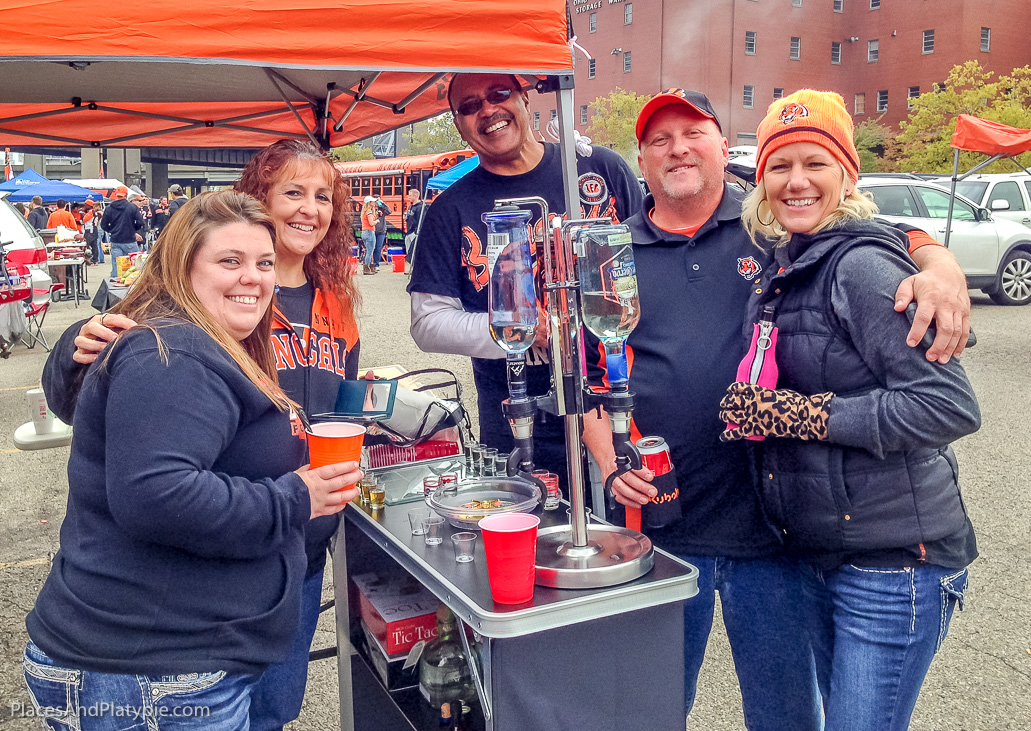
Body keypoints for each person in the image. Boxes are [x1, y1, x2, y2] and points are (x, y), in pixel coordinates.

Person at [581, 88, 973, 728]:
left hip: (776, 535)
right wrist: (609, 462)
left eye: (693, 133)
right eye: (659, 140)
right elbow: (591, 384)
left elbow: (871, 230)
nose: (678, 149)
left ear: (723, 148)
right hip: (662, 526)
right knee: (649, 712)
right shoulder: (610, 253)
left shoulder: (774, 228)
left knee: (785, 715)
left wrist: (939, 263)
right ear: (641, 160)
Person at [42, 138, 361, 731]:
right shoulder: (176, 338)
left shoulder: (320, 302)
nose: (309, 209)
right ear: (259, 199)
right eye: (293, 192)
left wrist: (369, 419)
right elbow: (140, 465)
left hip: (279, 561)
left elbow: (335, 401)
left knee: (272, 711)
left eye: (324, 196)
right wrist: (71, 350)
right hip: (162, 642)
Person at [716, 89, 979, 730]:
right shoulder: (790, 264)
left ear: (847, 177)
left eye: (816, 164)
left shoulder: (860, 266)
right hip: (823, 554)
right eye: (780, 166)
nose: (796, 181)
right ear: (761, 181)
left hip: (892, 564)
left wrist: (803, 416)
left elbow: (948, 405)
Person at [408, 72, 643, 484]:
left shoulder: (600, 169)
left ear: (525, 98)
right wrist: (521, 328)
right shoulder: (449, 208)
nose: (488, 110)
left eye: (499, 94)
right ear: (459, 125)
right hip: (518, 423)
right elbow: (427, 323)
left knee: (633, 516)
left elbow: (653, 265)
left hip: (624, 400)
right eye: (470, 106)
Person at [100, 185, 146, 279]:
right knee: (133, 265)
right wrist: (133, 230)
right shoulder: (132, 207)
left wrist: (112, 230)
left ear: (116, 195)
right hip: (130, 240)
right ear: (126, 194)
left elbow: (103, 225)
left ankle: (115, 283)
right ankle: (131, 283)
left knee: (116, 265)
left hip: (116, 240)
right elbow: (140, 222)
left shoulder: (109, 208)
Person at [359, 195, 379, 275]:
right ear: (369, 203)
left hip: (364, 232)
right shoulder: (369, 211)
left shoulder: (364, 212)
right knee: (370, 251)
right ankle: (367, 269)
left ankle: (370, 268)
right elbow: (371, 223)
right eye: (373, 201)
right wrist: (376, 221)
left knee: (368, 250)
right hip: (369, 232)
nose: (374, 202)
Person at [403, 187, 425, 257]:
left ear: (415, 196)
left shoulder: (421, 207)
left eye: (410, 195)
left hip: (415, 233)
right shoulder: (411, 206)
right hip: (408, 232)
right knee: (409, 254)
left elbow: (421, 220)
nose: (408, 197)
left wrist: (416, 232)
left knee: (415, 254)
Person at [373, 194, 391, 270]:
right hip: (372, 230)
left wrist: (383, 203)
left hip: (381, 231)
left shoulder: (382, 208)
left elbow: (389, 211)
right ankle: (370, 264)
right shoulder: (370, 208)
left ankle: (376, 264)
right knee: (371, 248)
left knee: (378, 248)